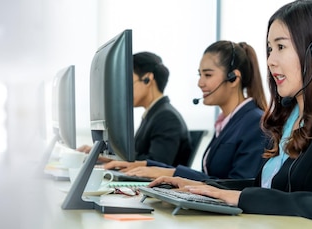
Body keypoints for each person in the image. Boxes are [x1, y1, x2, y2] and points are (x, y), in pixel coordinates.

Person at [151, 1, 312, 228]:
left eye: (281, 47)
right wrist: (203, 188)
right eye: (270, 49)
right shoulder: (290, 120)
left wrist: (244, 198)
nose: (271, 60)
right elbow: (266, 189)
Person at [106, 40, 269, 182]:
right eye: (200, 75)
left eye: (208, 75)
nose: (200, 83)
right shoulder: (226, 122)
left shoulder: (254, 122)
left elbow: (238, 186)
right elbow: (211, 176)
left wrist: (173, 173)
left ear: (233, 78)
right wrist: (146, 166)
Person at [77, 52, 192, 166]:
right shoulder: (154, 114)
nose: (124, 90)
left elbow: (156, 163)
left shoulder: (166, 117)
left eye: (128, 82)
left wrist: (113, 159)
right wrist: (107, 156)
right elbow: (139, 155)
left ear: (147, 79)